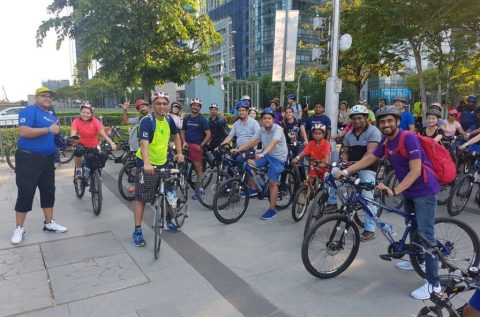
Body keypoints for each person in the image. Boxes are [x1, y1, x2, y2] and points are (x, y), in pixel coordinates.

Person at [335, 106, 440, 300]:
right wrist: (346, 171)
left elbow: (416, 170)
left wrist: (395, 191)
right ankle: (417, 259)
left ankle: (434, 284)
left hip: (424, 191)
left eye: (390, 121)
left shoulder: (408, 138)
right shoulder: (386, 140)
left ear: (397, 122)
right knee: (413, 226)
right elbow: (370, 158)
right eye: (383, 121)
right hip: (409, 190)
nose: (386, 124)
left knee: (426, 235)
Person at [11, 87, 68, 245]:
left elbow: (54, 137)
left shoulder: (51, 115)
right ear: (37, 97)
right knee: (26, 191)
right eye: (44, 96)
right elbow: (23, 132)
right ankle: (19, 228)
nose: (48, 99)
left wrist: (65, 142)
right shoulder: (29, 111)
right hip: (28, 158)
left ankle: (49, 223)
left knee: (49, 190)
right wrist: (48, 129)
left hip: (47, 159)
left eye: (50, 97)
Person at [133, 91, 184, 246]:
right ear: (153, 105)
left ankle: (167, 221)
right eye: (158, 103)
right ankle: (137, 230)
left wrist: (179, 153)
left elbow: (176, 135)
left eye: (164, 103)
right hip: (146, 162)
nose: (162, 106)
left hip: (163, 162)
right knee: (141, 197)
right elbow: (144, 144)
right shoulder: (147, 121)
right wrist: (147, 164)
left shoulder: (169, 119)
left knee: (169, 192)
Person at [231, 108, 288, 220]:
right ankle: (256, 187)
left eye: (269, 118)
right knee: (248, 162)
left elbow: (273, 143)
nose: (267, 120)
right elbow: (252, 141)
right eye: (265, 118)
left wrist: (263, 153)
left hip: (278, 158)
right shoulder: (261, 130)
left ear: (273, 120)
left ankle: (272, 209)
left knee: (272, 182)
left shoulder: (278, 129)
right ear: (261, 120)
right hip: (267, 155)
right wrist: (238, 149)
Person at [341, 105, 382, 241]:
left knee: (367, 198)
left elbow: (370, 154)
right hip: (351, 166)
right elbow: (345, 152)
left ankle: (370, 229)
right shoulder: (348, 134)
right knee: (332, 175)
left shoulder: (373, 131)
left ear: (365, 118)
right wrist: (345, 162)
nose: (357, 121)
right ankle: (331, 203)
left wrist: (354, 167)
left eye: (360, 118)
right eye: (354, 118)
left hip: (368, 167)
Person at [70, 103, 117, 179]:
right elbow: (73, 134)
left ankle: (95, 176)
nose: (85, 114)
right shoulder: (76, 121)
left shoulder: (95, 121)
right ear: (80, 112)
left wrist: (112, 143)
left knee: (97, 162)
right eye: (83, 112)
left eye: (88, 113)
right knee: (78, 151)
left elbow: (104, 135)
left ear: (91, 114)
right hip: (81, 145)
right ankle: (78, 169)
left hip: (93, 146)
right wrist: (72, 143)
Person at [220, 101, 261, 179]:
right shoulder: (236, 123)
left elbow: (258, 139)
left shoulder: (254, 123)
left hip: (250, 149)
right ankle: (229, 186)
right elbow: (230, 136)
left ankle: (244, 181)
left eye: (243, 110)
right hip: (239, 149)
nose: (241, 112)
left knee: (240, 160)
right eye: (239, 110)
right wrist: (221, 145)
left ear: (247, 111)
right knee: (229, 162)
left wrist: (256, 151)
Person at [181, 98, 211, 199]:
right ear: (191, 106)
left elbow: (208, 134)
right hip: (186, 146)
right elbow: (183, 131)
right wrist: (184, 141)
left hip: (196, 147)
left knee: (198, 170)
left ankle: (200, 191)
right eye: (194, 105)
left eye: (198, 106)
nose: (195, 107)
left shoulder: (202, 120)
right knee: (182, 167)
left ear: (200, 108)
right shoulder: (186, 118)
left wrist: (201, 145)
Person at [292, 123, 330, 188]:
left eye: (319, 133)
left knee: (324, 185)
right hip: (314, 166)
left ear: (323, 134)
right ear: (312, 134)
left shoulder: (326, 144)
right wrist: (297, 158)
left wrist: (325, 163)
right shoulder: (311, 143)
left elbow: (327, 158)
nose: (317, 135)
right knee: (308, 182)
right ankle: (307, 194)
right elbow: (303, 152)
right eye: (315, 133)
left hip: (324, 166)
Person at [281, 107, 308, 180]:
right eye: (287, 112)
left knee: (300, 163)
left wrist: (305, 141)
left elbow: (303, 131)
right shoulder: (283, 123)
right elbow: (281, 133)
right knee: (286, 163)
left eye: (290, 112)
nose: (288, 114)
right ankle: (282, 183)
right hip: (288, 145)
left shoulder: (298, 121)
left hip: (299, 144)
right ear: (285, 114)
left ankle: (303, 181)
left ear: (292, 113)